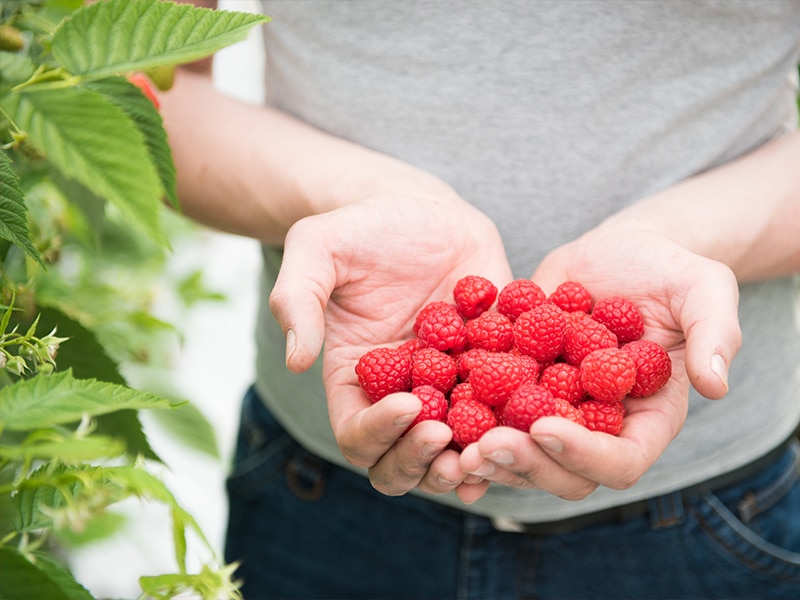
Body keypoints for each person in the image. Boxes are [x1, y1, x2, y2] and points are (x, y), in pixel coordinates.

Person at [160, 1, 800, 598]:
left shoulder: (564, 358)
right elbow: (135, 99)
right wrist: (358, 193)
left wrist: (684, 236)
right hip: (319, 488)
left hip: (715, 509)